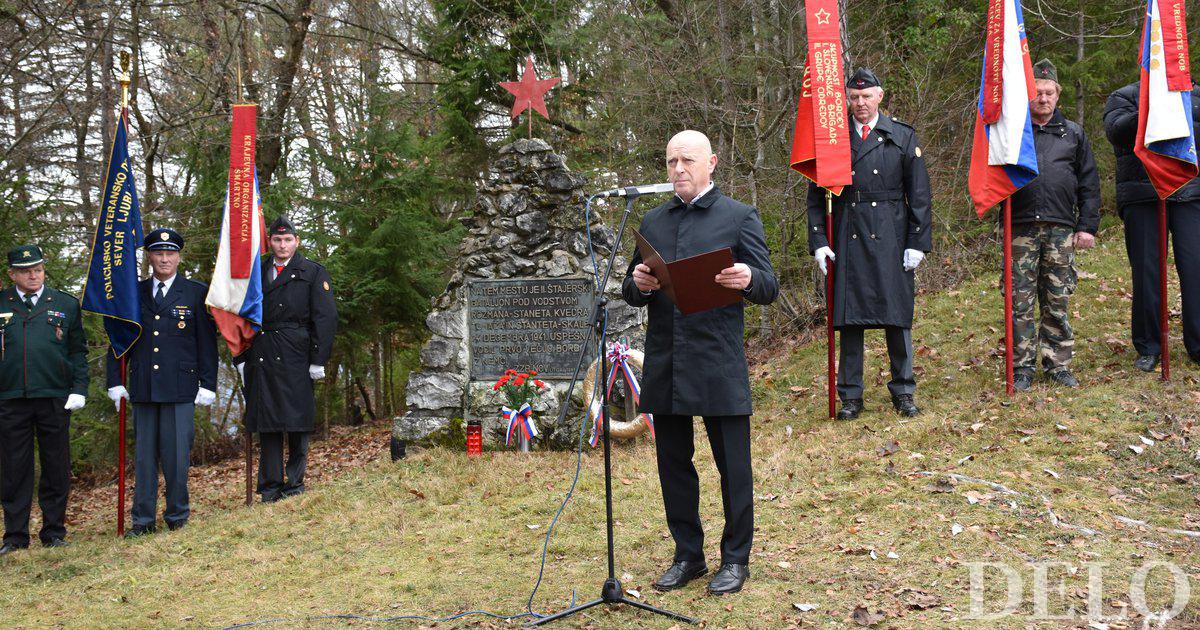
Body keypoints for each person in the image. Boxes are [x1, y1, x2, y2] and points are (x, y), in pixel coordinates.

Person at [623, 130, 778, 596]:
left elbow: (769, 287)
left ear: (711, 163)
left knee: (733, 465)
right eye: (671, 161)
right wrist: (639, 284)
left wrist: (749, 276)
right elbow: (633, 291)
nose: (678, 169)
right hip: (667, 359)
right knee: (673, 464)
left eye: (687, 160)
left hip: (717, 358)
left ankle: (736, 559)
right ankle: (688, 555)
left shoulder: (739, 216)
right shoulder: (652, 220)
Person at [807, 68, 932, 419]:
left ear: (880, 96)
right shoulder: (834, 139)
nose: (860, 103)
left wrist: (918, 242)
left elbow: (919, 194)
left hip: (892, 232)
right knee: (850, 317)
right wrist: (818, 239)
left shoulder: (902, 136)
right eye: (854, 97)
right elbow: (816, 197)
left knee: (897, 315)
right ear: (847, 99)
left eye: (867, 96)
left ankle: (904, 391)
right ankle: (850, 396)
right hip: (848, 230)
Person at [106, 228, 218, 536]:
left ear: (179, 257)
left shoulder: (196, 293)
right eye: (158, 253)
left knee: (177, 459)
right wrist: (115, 380)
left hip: (181, 388)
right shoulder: (134, 293)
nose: (164, 259)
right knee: (144, 461)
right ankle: (142, 521)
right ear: (150, 256)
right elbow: (118, 340)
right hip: (143, 386)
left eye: (170, 253)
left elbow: (207, 343)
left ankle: (177, 516)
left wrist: (208, 383)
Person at [1006, 59, 1101, 391]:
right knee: (1019, 301)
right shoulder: (1013, 133)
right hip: (1019, 228)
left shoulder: (1073, 134)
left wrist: (1087, 225)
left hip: (1061, 228)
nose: (1042, 99)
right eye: (1037, 93)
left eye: (1048, 93)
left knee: (1056, 298)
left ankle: (1058, 364)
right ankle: (1021, 366)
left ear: (1057, 95)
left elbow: (1089, 183)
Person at [236, 216, 336, 503]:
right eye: (277, 240)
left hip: (296, 353)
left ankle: (294, 483)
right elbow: (240, 313)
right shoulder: (256, 270)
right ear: (270, 242)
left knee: (297, 420)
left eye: (287, 239)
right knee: (267, 422)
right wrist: (242, 355)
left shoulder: (313, 272)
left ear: (297, 242)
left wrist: (318, 359)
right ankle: (269, 486)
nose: (282, 245)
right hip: (263, 351)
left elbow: (325, 317)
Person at [1104, 79, 1200, 371]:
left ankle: (1197, 344)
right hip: (1142, 194)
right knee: (1147, 273)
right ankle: (1149, 346)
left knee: (1195, 269)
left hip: (1190, 193)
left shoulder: (1195, 96)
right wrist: (1150, 106)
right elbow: (1117, 133)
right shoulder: (1125, 95)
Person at [0, 245, 87, 555]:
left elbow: (77, 351)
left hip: (54, 397)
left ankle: (53, 531)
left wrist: (79, 388)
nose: (33, 274)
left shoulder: (65, 304)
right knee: (14, 469)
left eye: (37, 269)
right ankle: (15, 536)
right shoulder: (2, 304)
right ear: (12, 274)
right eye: (25, 270)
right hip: (11, 398)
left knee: (55, 466)